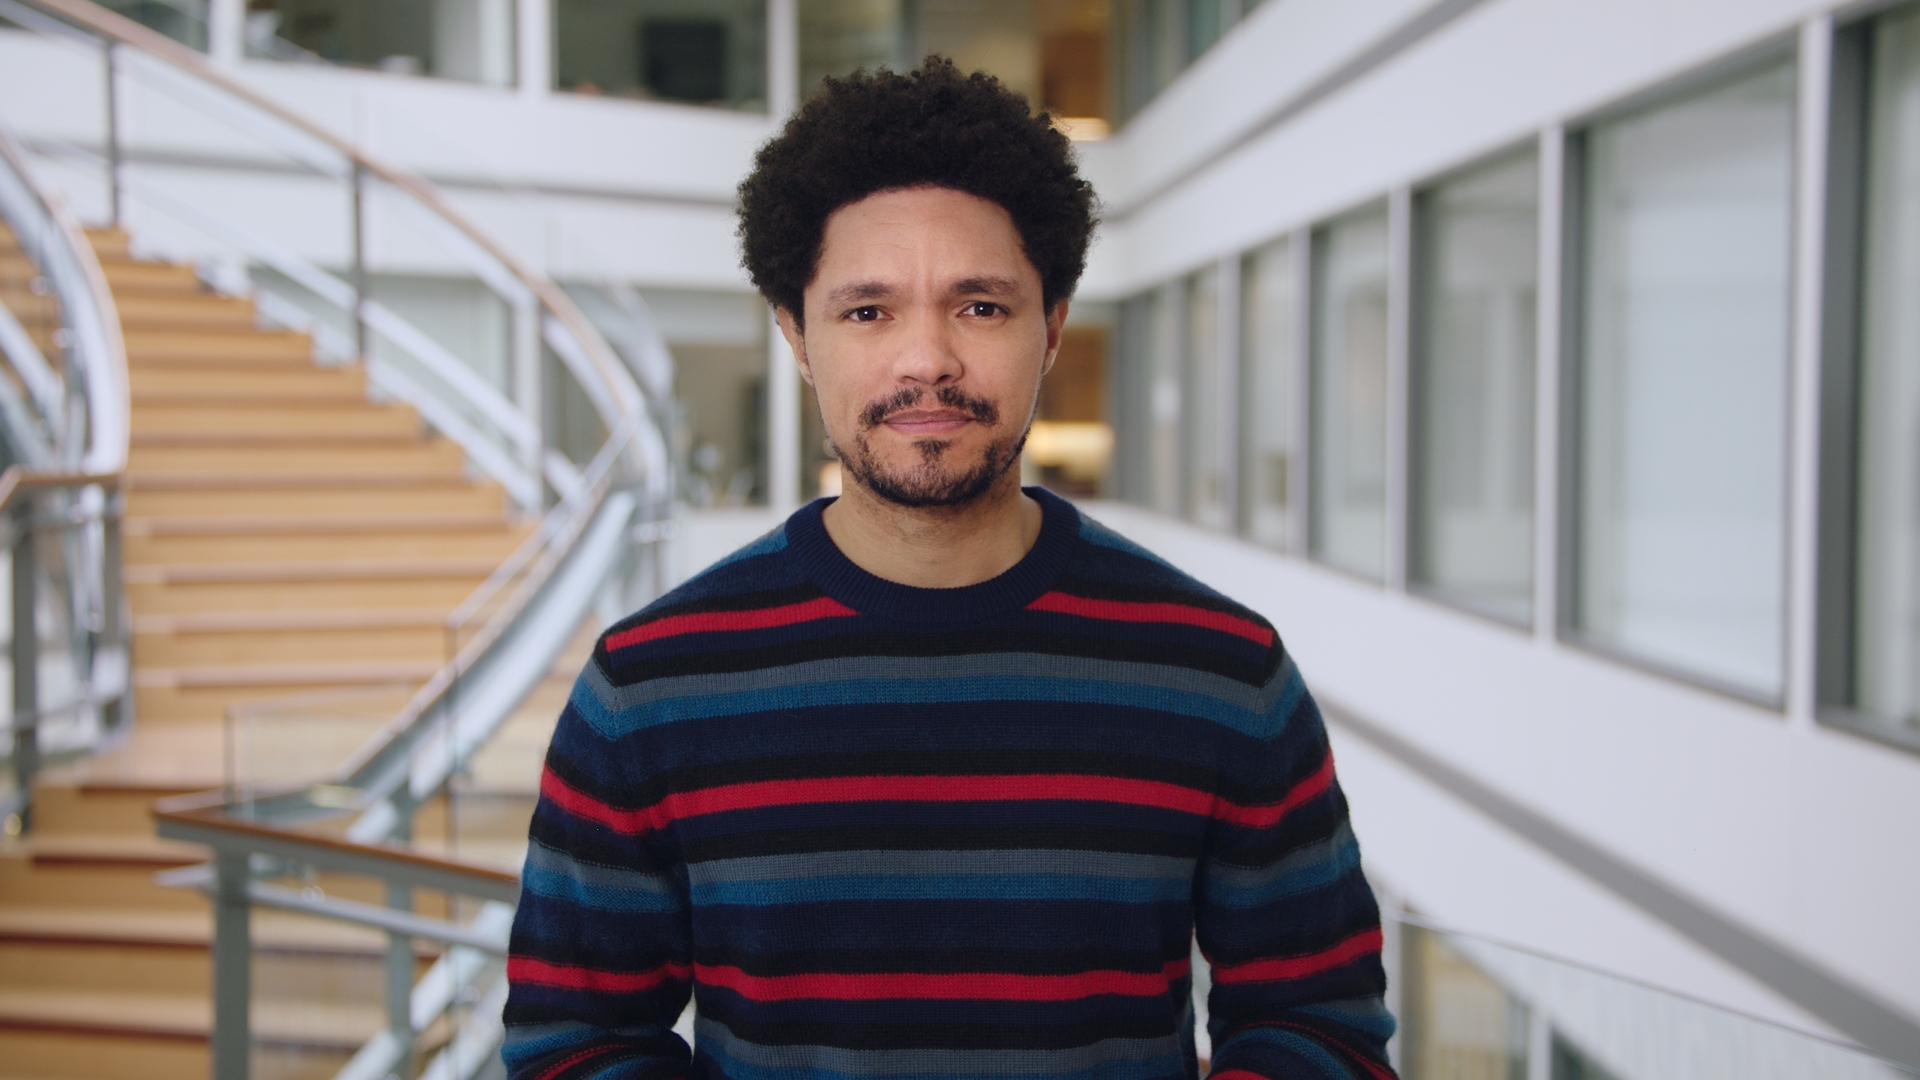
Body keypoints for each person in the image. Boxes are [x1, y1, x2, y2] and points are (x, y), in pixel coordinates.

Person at [502, 58, 1398, 1080]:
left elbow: (1320, 1028)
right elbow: (571, 1047)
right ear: (798, 336)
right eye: (868, 312)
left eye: (979, 306)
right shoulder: (649, 686)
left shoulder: (1223, 672)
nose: (925, 359)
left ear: (1051, 328)